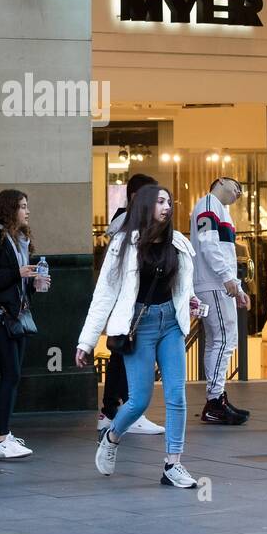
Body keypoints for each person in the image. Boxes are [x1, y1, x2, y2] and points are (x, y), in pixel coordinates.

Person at [77, 184, 202, 489]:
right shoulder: (123, 245)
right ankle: (113, 435)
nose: (167, 206)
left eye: (169, 202)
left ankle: (173, 464)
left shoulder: (179, 243)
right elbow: (104, 295)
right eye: (160, 201)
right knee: (139, 400)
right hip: (138, 325)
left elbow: (183, 286)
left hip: (171, 323)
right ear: (146, 205)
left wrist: (190, 300)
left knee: (176, 396)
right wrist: (86, 341)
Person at [0, 189, 52, 460]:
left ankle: (3, 433)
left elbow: (16, 282)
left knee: (14, 374)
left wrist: (32, 282)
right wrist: (16, 273)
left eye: (27, 206)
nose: (27, 211)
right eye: (22, 206)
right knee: (10, 373)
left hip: (17, 314)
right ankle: (1, 437)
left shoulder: (20, 240)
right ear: (8, 209)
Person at [99, 173, 165, 437]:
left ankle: (112, 411)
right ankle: (125, 410)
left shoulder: (121, 221)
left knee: (121, 354)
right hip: (128, 301)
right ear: (138, 197)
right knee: (127, 354)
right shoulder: (129, 223)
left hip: (122, 300)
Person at [190, 176, 251, 425]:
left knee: (217, 340)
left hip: (215, 283)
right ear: (221, 182)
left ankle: (216, 399)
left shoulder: (217, 209)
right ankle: (215, 401)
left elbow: (218, 248)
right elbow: (208, 245)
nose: (239, 193)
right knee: (224, 339)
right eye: (237, 187)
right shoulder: (208, 205)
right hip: (213, 283)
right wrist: (228, 279)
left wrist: (235, 285)